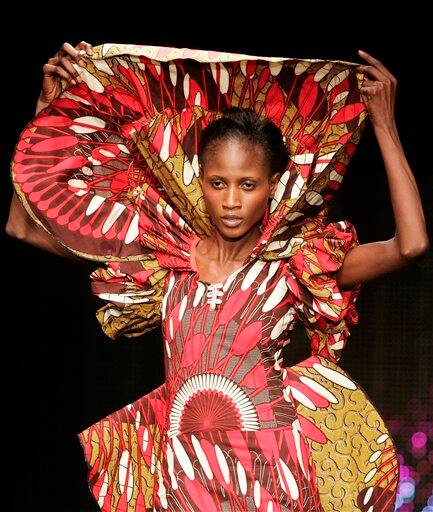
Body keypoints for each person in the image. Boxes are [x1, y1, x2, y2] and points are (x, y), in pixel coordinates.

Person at [6, 41, 429, 512]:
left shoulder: (294, 263)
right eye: (218, 183)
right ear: (200, 179)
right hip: (182, 475)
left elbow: (410, 245)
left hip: (271, 475)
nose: (231, 200)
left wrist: (384, 127)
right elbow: (21, 228)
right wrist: (50, 114)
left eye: (248, 185)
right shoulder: (167, 255)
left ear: (271, 187)